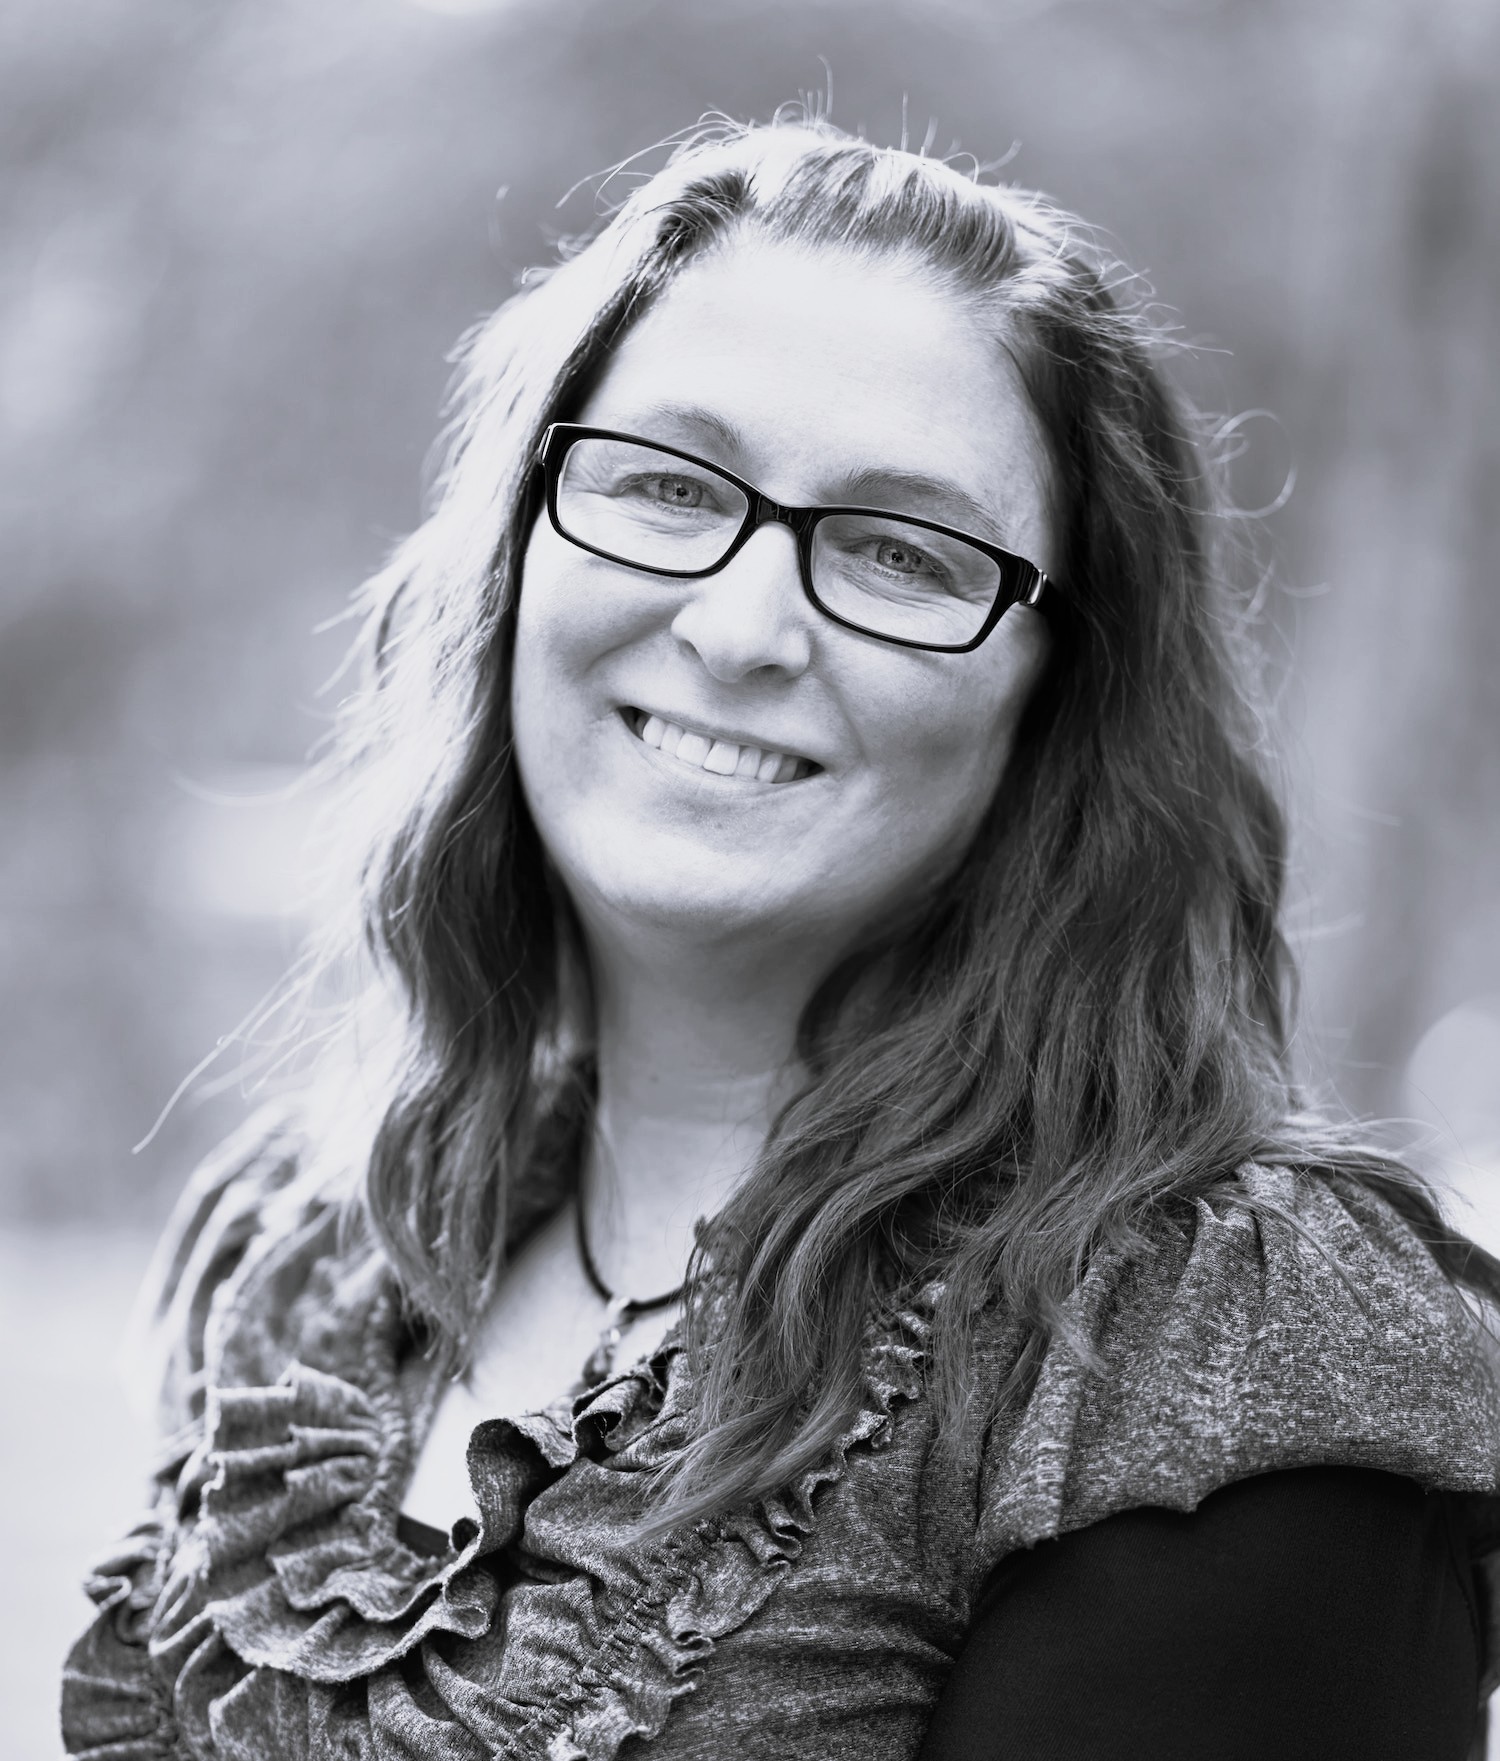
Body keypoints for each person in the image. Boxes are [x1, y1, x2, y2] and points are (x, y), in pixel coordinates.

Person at [62, 115, 1500, 1760]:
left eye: (901, 550)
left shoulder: (1205, 1357)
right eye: (667, 485)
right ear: (516, 553)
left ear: (1062, 696)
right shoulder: (306, 1263)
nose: (742, 627)